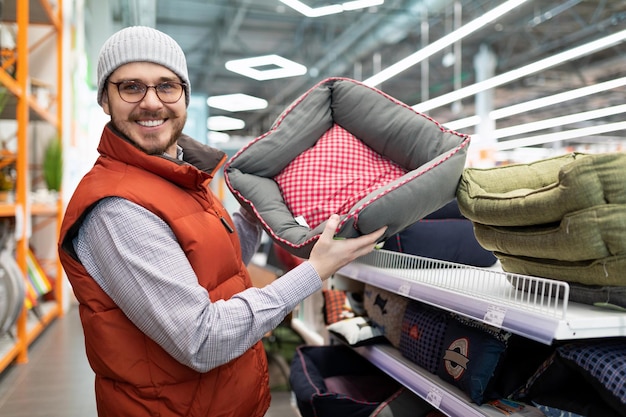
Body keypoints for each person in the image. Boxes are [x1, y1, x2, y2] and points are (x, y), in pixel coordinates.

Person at [58, 26, 386, 417]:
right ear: (105, 100)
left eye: (166, 86)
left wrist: (253, 210)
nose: (151, 102)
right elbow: (202, 339)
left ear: (184, 95)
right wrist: (314, 271)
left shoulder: (178, 179)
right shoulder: (117, 209)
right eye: (131, 87)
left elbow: (216, 268)